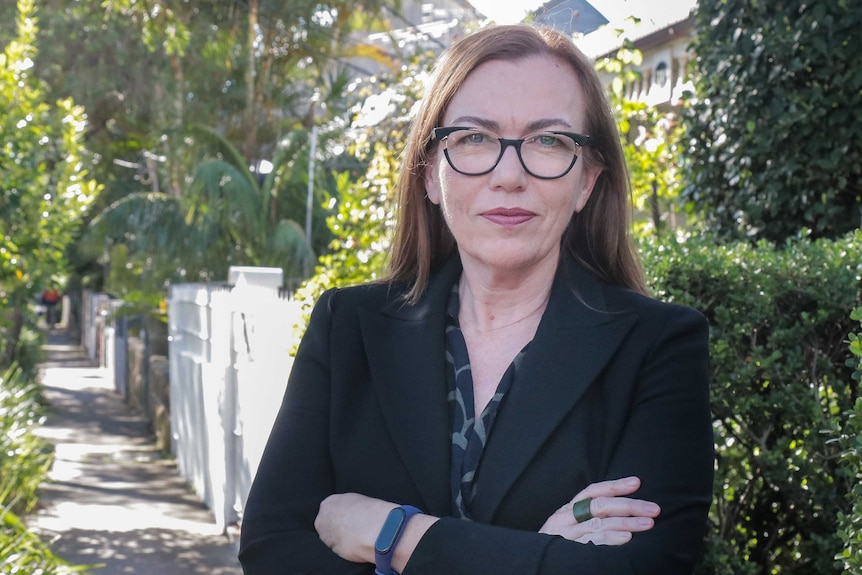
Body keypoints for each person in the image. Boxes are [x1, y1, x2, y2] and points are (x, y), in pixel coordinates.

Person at [238, 24, 713, 575]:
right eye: (474, 139)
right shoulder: (349, 327)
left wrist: (395, 533)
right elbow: (272, 550)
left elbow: (641, 571)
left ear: (586, 180)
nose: (509, 175)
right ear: (431, 175)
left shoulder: (658, 346)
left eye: (549, 140)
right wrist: (540, 554)